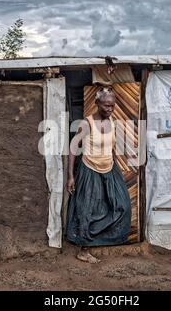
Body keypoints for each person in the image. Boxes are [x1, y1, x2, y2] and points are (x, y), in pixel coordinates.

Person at [65, 87, 131, 264]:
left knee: (122, 204)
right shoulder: (86, 124)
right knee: (87, 209)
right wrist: (70, 176)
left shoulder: (113, 122)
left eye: (112, 106)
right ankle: (84, 250)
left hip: (109, 168)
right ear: (97, 104)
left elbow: (112, 147)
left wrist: (118, 169)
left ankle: (105, 240)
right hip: (89, 169)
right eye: (106, 105)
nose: (110, 109)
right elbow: (73, 148)